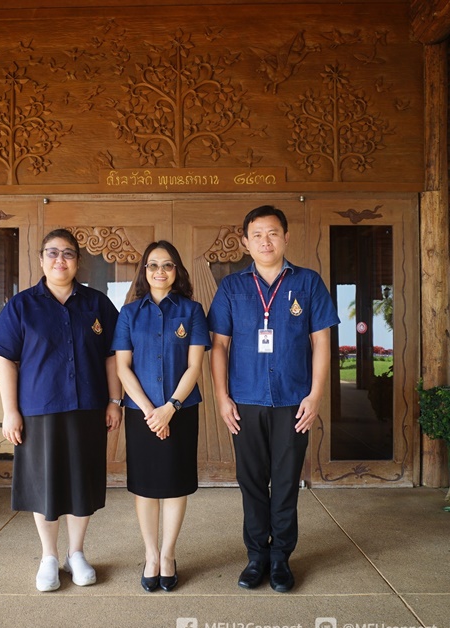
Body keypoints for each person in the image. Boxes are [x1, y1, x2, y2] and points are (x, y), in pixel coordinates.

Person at [207, 205, 339, 593]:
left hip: (292, 402)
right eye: (258, 234)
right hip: (245, 401)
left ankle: (281, 557)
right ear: (245, 242)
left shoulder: (309, 283)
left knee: (284, 482)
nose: (266, 241)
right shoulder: (231, 287)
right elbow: (218, 346)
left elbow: (321, 343)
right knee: (250, 482)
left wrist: (315, 397)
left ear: (285, 237)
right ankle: (255, 557)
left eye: (273, 233)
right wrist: (221, 397)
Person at [0, 228, 122, 592]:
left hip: (87, 408)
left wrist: (114, 400)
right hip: (37, 411)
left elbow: (112, 358)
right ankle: (48, 556)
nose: (60, 260)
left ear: (78, 261)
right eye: (52, 253)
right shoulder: (21, 306)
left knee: (81, 482)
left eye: (68, 254)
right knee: (44, 484)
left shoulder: (98, 305)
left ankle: (76, 553)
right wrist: (9, 411)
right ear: (42, 259)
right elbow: (5, 361)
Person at [113, 241, 209, 592]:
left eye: (167, 265)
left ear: (177, 271)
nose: (159, 271)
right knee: (146, 487)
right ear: (144, 271)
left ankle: (168, 555)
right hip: (142, 413)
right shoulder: (129, 313)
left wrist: (170, 408)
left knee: (174, 484)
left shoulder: (192, 311)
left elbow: (195, 366)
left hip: (180, 410)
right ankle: (150, 554)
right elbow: (123, 368)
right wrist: (151, 411)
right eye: (152, 265)